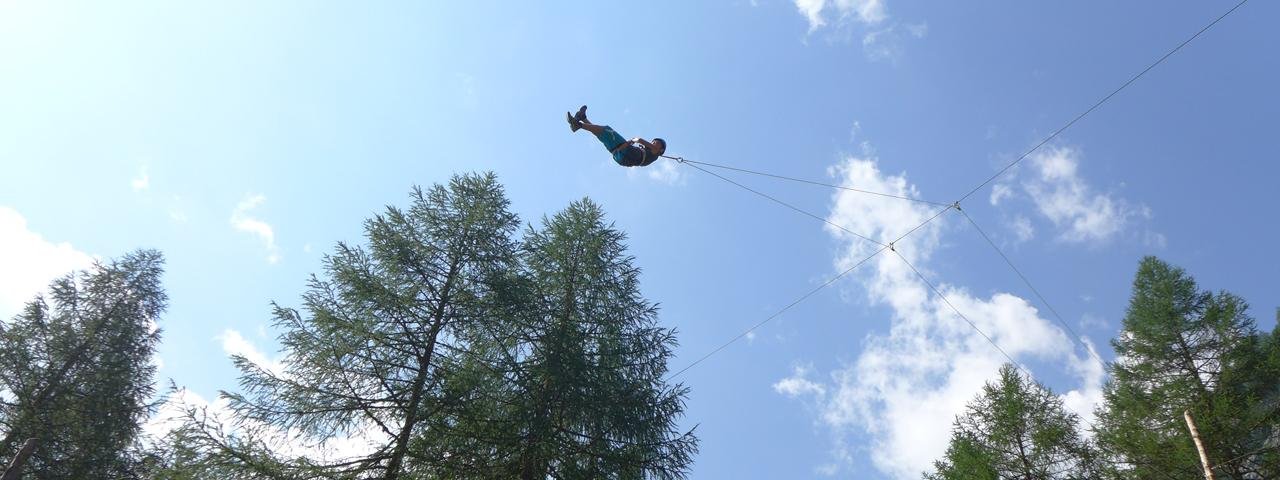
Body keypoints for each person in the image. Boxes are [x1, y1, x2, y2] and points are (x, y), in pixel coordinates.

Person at [567, 105, 666, 167]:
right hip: (619, 156)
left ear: (661, 149)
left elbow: (639, 139)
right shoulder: (650, 154)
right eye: (653, 141)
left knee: (607, 130)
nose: (652, 142)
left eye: (655, 142)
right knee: (603, 135)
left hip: (627, 153)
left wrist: (633, 140)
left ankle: (578, 124)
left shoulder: (655, 152)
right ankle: (583, 120)